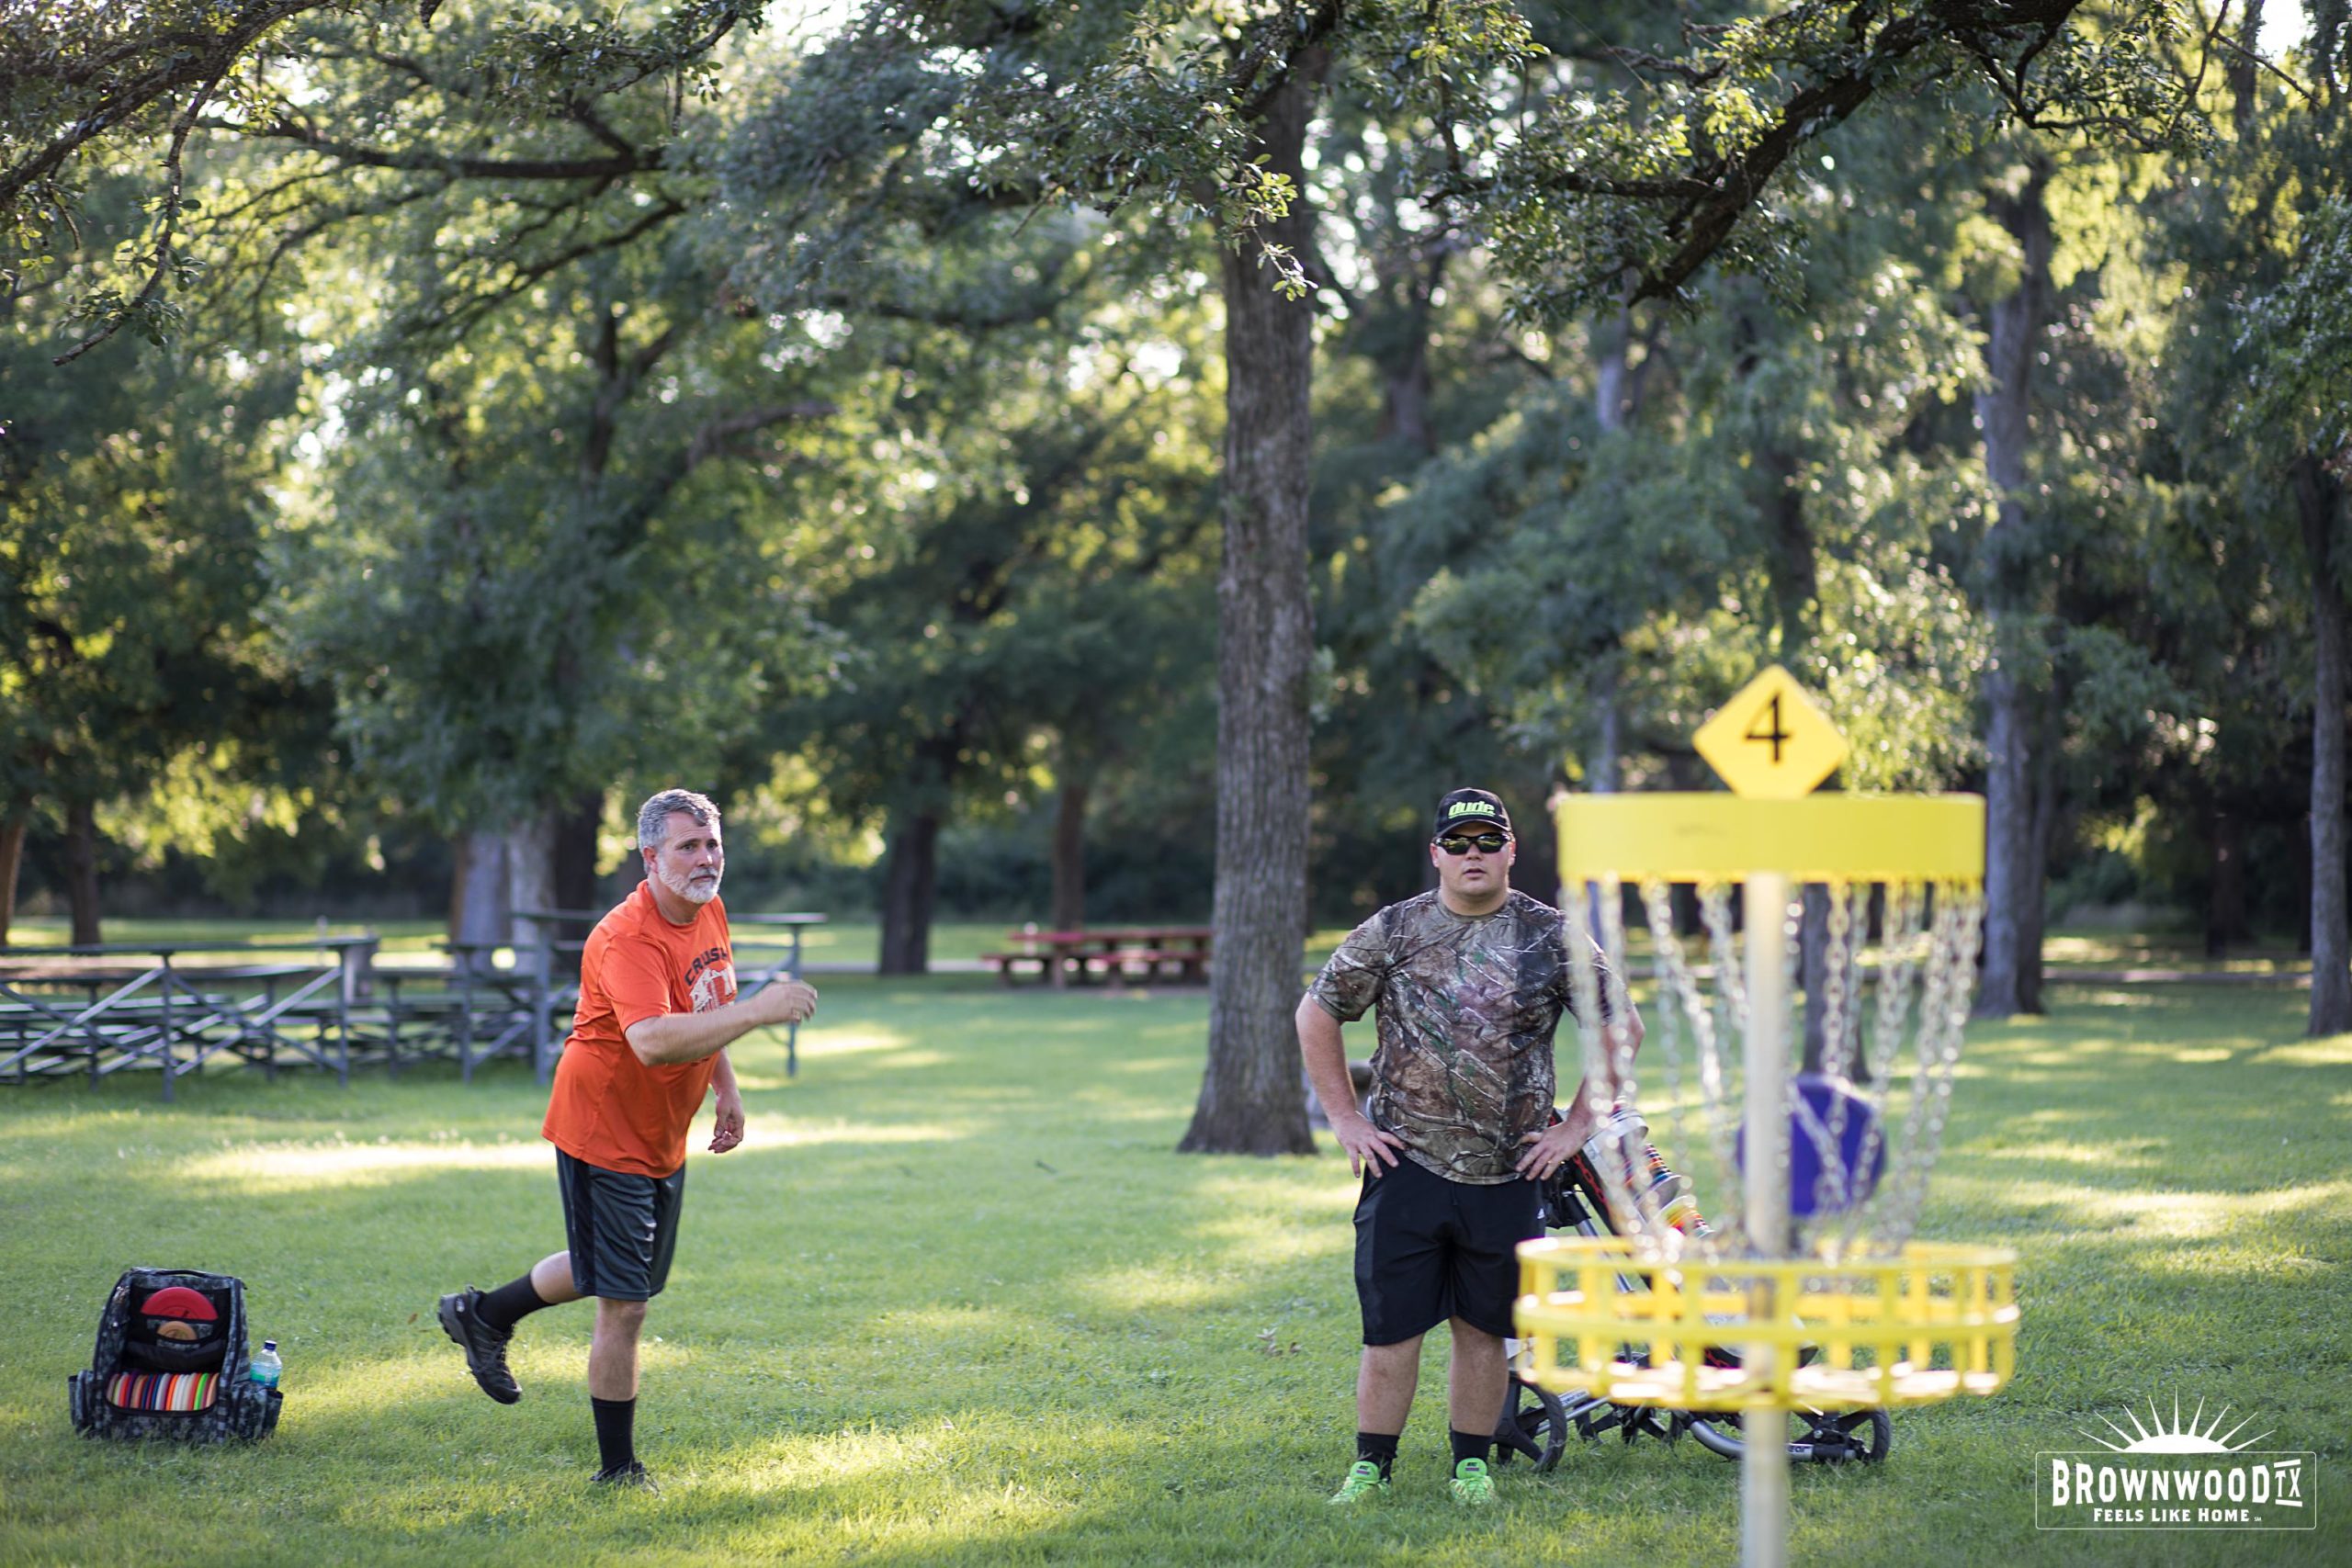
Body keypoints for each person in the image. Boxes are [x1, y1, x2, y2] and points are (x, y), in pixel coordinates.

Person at [437, 788, 818, 1490]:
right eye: (688, 846)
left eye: (712, 845)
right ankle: (618, 1470)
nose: (706, 859)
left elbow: (705, 1004)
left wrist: (724, 1085)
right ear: (650, 856)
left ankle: (482, 1314)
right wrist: (759, 1011)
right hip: (604, 1127)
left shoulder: (708, 908)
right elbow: (650, 1040)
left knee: (613, 1268)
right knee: (627, 1300)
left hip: (661, 1129)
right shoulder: (625, 936)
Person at [1297, 786, 1642, 1507]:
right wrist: (1346, 1117)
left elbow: (1622, 1028)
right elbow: (1317, 1011)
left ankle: (1471, 1466)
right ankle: (1372, 1467)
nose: (1474, 853)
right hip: (1405, 1163)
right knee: (1391, 1329)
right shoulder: (1393, 930)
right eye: (1459, 843)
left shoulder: (1552, 936)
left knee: (1484, 1327)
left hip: (1509, 1167)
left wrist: (1575, 1125)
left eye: (1488, 840)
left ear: (1512, 850)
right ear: (1437, 855)